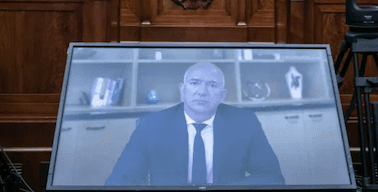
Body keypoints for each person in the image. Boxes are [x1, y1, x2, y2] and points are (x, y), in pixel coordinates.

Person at [106, 62, 284, 186]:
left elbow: (272, 176)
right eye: (194, 83)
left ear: (222, 95)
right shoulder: (151, 125)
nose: (202, 92)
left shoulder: (245, 122)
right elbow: (120, 180)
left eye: (212, 85)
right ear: (183, 90)